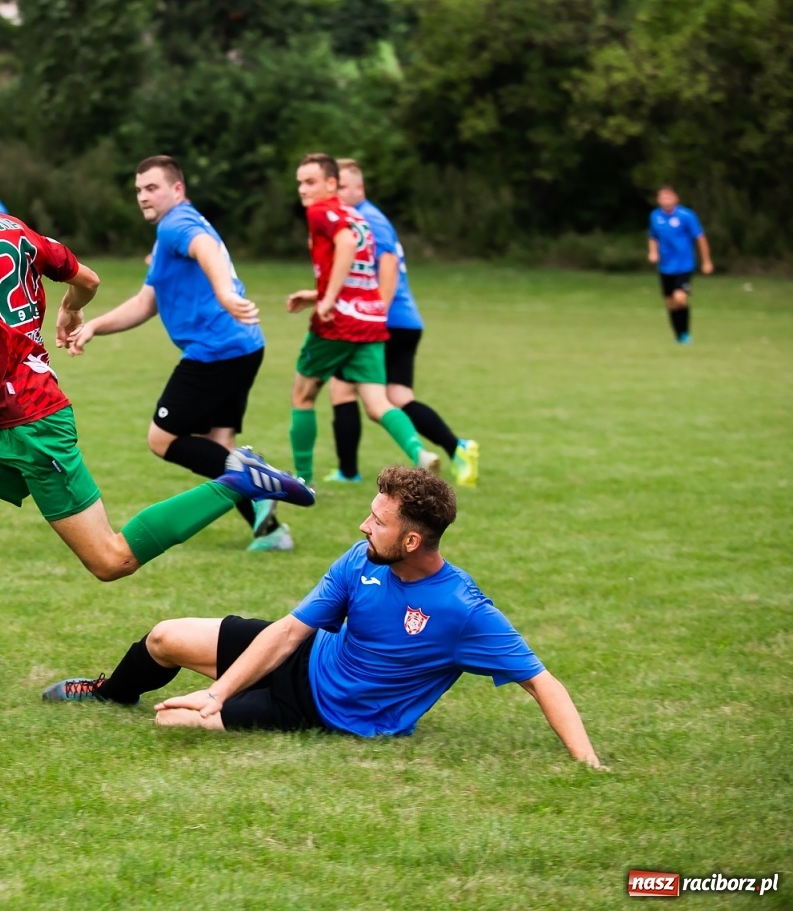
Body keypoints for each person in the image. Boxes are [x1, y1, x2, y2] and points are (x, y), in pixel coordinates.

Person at [0, 126, 313, 693]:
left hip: (35, 427)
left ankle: (237, 482)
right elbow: (87, 277)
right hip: (2, 423)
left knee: (111, 560)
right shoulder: (10, 227)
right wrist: (71, 309)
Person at [42, 467, 605, 769]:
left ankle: (218, 701)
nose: (363, 526)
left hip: (321, 711)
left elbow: (542, 681)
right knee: (164, 637)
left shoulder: (463, 610)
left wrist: (587, 765)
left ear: (411, 541)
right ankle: (110, 694)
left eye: (378, 522)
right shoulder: (361, 559)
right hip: (303, 658)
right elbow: (290, 631)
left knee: (171, 723)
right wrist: (218, 693)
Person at [63, 155, 293, 552]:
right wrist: (95, 326)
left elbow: (206, 248)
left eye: (152, 188)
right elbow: (146, 302)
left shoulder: (177, 224)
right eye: (139, 189)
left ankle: (258, 483)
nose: (143, 196)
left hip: (215, 350)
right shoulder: (170, 234)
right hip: (243, 346)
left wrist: (225, 293)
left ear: (177, 189)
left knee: (162, 439)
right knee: (219, 443)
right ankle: (271, 532)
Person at [285, 153, 438, 486]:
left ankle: (301, 480)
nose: (303, 190)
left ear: (331, 184)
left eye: (310, 182)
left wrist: (327, 299)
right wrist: (316, 295)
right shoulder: (355, 216)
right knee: (377, 402)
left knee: (302, 396)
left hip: (338, 323)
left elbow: (345, 244)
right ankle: (419, 452)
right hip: (370, 320)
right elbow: (358, 273)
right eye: (300, 183)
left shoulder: (320, 212)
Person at [325, 159, 478, 487]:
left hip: (385, 322)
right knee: (397, 397)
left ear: (359, 188)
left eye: (342, 186)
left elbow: (389, 265)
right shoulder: (362, 217)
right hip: (403, 321)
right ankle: (458, 448)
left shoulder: (368, 218)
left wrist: (375, 315)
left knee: (343, 390)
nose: (336, 193)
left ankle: (348, 472)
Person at [647, 185, 712, 344]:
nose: (665, 200)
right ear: (658, 200)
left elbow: (700, 238)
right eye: (662, 197)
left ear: (676, 198)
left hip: (684, 265)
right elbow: (653, 237)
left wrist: (706, 261)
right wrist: (653, 252)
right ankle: (679, 335)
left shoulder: (686, 215)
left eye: (668, 196)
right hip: (665, 266)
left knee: (680, 298)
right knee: (671, 302)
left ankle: (685, 334)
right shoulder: (655, 216)